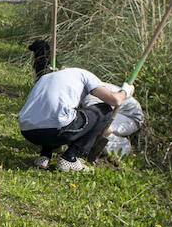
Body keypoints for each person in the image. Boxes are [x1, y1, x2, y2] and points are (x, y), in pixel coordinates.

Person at [18, 39, 140, 172]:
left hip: (27, 130)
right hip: (54, 130)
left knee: (52, 112)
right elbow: (115, 100)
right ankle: (69, 158)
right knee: (104, 110)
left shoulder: (49, 78)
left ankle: (44, 156)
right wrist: (125, 91)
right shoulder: (86, 76)